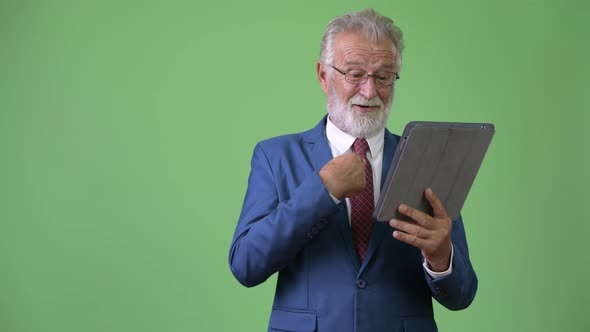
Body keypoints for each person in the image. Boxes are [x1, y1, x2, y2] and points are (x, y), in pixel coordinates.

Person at [228, 8, 477, 332]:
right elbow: (246, 265)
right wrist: (323, 189)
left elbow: (462, 294)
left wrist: (442, 258)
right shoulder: (275, 156)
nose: (370, 91)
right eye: (355, 74)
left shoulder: (427, 159)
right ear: (323, 75)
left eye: (383, 76)